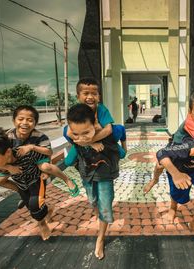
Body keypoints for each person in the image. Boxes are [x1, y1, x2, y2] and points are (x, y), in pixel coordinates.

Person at [0, 105, 79, 210]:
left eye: (29, 120)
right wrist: (7, 167)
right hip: (17, 164)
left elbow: (49, 151)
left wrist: (32, 147)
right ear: (14, 120)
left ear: (35, 123)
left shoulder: (40, 136)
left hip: (36, 161)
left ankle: (67, 180)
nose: (24, 123)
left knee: (45, 167)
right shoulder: (7, 137)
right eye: (20, 119)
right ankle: (21, 192)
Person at [64, 103, 120, 260]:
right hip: (86, 175)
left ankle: (100, 238)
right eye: (76, 134)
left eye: (86, 133)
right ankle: (100, 216)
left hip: (104, 175)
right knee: (92, 201)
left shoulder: (106, 134)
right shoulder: (74, 135)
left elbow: (115, 135)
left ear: (95, 124)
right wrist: (88, 141)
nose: (81, 138)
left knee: (105, 208)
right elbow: (70, 136)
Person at [0, 128, 53, 240]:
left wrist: (45, 171)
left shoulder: (23, 153)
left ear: (8, 152)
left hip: (35, 180)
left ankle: (42, 224)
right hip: (21, 184)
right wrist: (8, 167)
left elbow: (45, 157)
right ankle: (47, 209)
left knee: (34, 205)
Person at [64, 77, 127, 158]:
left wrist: (91, 140)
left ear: (99, 97)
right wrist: (89, 143)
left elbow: (108, 129)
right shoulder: (77, 111)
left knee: (118, 130)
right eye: (86, 93)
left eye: (94, 94)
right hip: (84, 137)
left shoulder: (101, 109)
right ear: (78, 97)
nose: (90, 97)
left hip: (102, 136)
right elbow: (69, 132)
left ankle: (122, 144)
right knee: (65, 130)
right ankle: (78, 146)